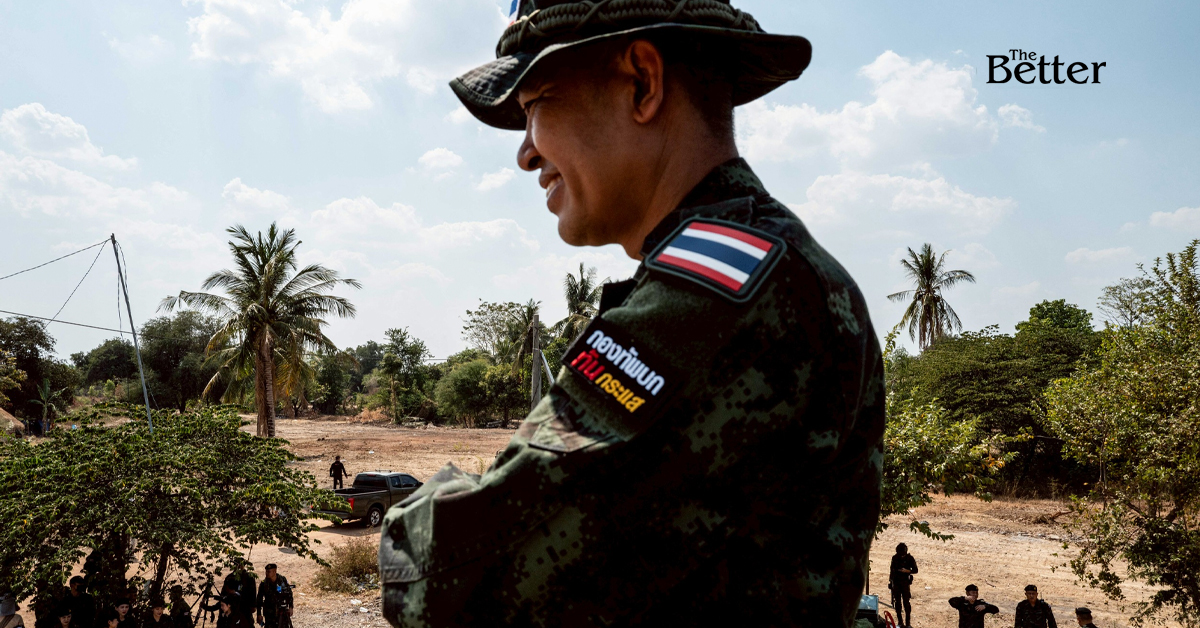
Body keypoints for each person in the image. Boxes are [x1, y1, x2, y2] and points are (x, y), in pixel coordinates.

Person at [379, 1, 885, 626]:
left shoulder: (722, 298)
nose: (526, 154)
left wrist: (417, 507)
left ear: (643, 83)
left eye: (535, 103)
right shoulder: (756, 266)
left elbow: (451, 584)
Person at [889, 543, 919, 628]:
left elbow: (915, 570)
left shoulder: (910, 558)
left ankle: (908, 623)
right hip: (896, 583)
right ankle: (900, 622)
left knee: (906, 603)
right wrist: (890, 582)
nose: (901, 556)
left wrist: (907, 571)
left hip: (905, 583)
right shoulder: (895, 558)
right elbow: (892, 570)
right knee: (897, 603)